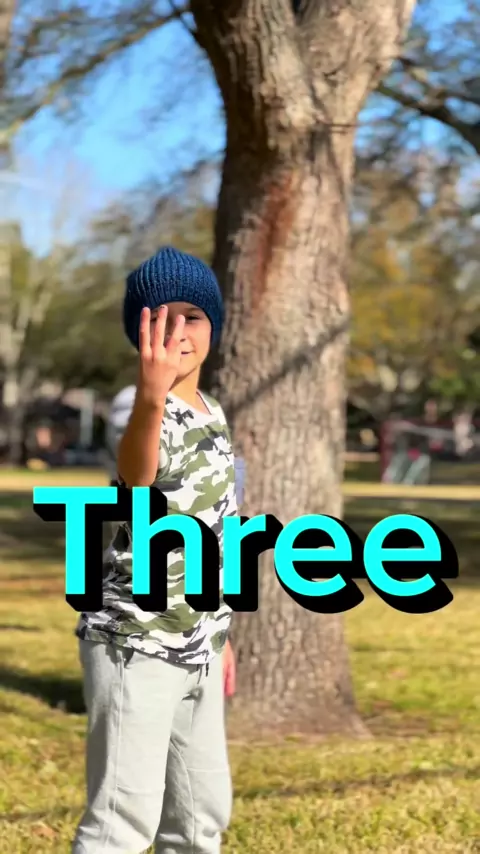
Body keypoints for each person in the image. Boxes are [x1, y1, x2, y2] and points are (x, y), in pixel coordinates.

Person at [72, 246, 237, 854]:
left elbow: (218, 527)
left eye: (192, 316)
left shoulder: (212, 412)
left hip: (197, 643)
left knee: (200, 815)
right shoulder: (143, 412)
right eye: (159, 318)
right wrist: (150, 394)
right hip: (135, 644)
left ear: (214, 326)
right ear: (137, 332)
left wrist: (221, 631)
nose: (177, 332)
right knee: (121, 822)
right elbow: (137, 480)